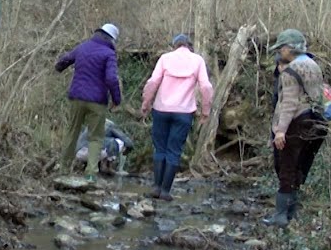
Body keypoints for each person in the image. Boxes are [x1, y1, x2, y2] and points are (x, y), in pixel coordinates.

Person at [139, 34, 214, 201]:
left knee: (160, 149)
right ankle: (166, 191)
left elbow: (153, 82)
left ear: (174, 45)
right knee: (174, 151)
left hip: (161, 109)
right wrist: (205, 110)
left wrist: (146, 103)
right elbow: (206, 87)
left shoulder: (165, 58)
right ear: (189, 45)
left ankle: (156, 187)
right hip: (184, 112)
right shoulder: (198, 60)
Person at [265, 29, 328, 225]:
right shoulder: (313, 65)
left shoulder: (290, 71)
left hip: (296, 123)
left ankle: (280, 216)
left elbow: (289, 103)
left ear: (289, 49)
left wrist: (280, 131)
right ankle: (291, 214)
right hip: (317, 122)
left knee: (286, 167)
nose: (279, 52)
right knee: (300, 167)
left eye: (281, 49)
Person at [55, 23, 123, 183]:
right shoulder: (109, 54)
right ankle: (91, 174)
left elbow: (65, 60)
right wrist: (116, 99)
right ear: (112, 39)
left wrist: (59, 67)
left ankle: (64, 169)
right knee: (96, 137)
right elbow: (111, 78)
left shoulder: (83, 47)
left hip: (76, 97)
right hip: (97, 101)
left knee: (72, 132)